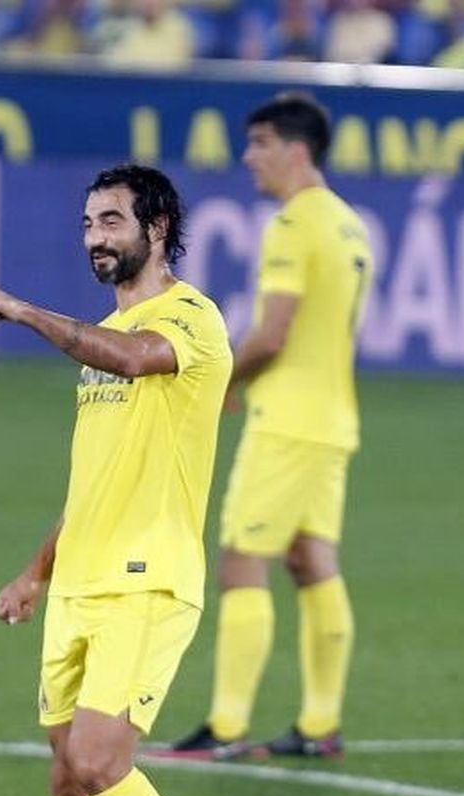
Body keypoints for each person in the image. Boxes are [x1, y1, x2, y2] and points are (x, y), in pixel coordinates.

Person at [0, 164, 225, 796]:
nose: (94, 237)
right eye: (86, 223)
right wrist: (38, 570)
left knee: (104, 760)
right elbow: (94, 484)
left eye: (111, 220)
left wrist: (24, 311)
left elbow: (130, 356)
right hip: (80, 582)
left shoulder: (187, 320)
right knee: (70, 781)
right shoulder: (107, 336)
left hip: (150, 582)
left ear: (158, 224)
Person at [161, 92, 371, 762]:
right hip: (334, 417)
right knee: (312, 562)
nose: (248, 157)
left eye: (258, 143)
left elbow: (273, 333)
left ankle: (225, 728)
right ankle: (319, 724)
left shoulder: (293, 225)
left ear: (295, 149)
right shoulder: (348, 225)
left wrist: (219, 380)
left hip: (287, 421)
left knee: (241, 563)